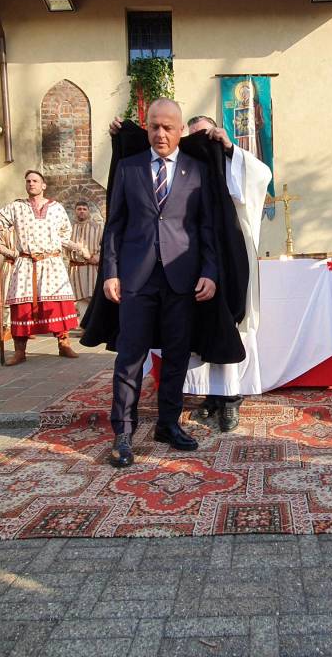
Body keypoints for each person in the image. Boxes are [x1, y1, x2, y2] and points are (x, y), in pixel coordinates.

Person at [102, 99, 219, 468]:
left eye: (168, 127)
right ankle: (123, 433)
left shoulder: (198, 170)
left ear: (181, 129)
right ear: (147, 127)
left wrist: (210, 272)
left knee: (176, 356)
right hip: (136, 278)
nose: (160, 134)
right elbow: (115, 224)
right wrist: (111, 271)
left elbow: (206, 227)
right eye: (154, 126)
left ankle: (168, 424)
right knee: (130, 357)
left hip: (181, 278)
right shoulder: (128, 168)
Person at [182, 115, 272, 432]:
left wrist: (230, 148)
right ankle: (212, 396)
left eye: (204, 134)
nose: (200, 142)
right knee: (203, 321)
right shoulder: (184, 163)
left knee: (228, 320)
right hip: (195, 251)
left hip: (230, 249)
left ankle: (231, 398)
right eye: (193, 136)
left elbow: (262, 175)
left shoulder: (229, 156)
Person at [0, 170, 91, 366]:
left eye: (35, 181)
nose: (31, 184)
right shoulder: (16, 207)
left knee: (56, 304)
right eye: (28, 181)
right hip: (26, 263)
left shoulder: (56, 208)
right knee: (22, 306)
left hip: (51, 262)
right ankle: (20, 351)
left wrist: (79, 248)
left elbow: (64, 235)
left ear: (43, 185)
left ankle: (64, 344)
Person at [68, 200, 103, 320]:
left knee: (93, 297)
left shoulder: (97, 227)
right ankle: (85, 327)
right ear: (75, 212)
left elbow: (105, 246)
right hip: (76, 269)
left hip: (93, 268)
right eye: (79, 209)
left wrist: (97, 258)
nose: (81, 211)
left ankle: (94, 326)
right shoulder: (69, 229)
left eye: (84, 209)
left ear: (88, 211)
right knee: (80, 298)